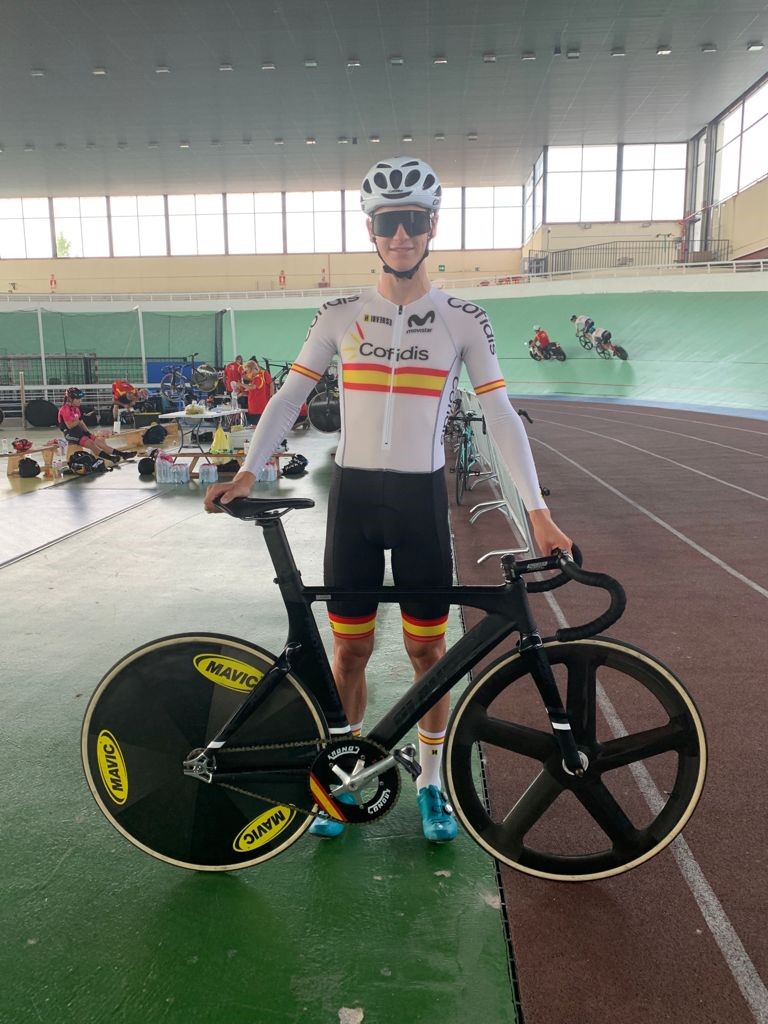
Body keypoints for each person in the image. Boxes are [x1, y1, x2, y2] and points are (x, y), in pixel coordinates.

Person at [204, 156, 572, 844]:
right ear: (370, 231)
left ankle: (431, 785)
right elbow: (289, 397)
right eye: (388, 222)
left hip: (419, 501)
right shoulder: (340, 315)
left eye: (413, 221)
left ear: (433, 226)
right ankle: (344, 778)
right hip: (355, 501)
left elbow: (500, 415)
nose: (401, 235)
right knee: (349, 652)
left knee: (431, 654)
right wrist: (249, 472)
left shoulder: (463, 319)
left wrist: (539, 514)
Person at [58, 387, 135, 463]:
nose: (80, 401)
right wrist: (81, 419)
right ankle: (111, 458)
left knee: (99, 442)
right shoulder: (65, 409)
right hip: (69, 433)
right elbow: (70, 426)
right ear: (70, 399)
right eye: (78, 399)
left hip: (79, 431)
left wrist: (88, 433)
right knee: (91, 444)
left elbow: (81, 423)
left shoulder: (76, 409)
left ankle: (123, 454)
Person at [242, 358, 274, 426]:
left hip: (262, 402)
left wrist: (271, 396)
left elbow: (271, 384)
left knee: (260, 423)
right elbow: (252, 389)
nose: (247, 374)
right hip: (256, 404)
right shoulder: (255, 377)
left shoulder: (262, 374)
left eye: (248, 371)